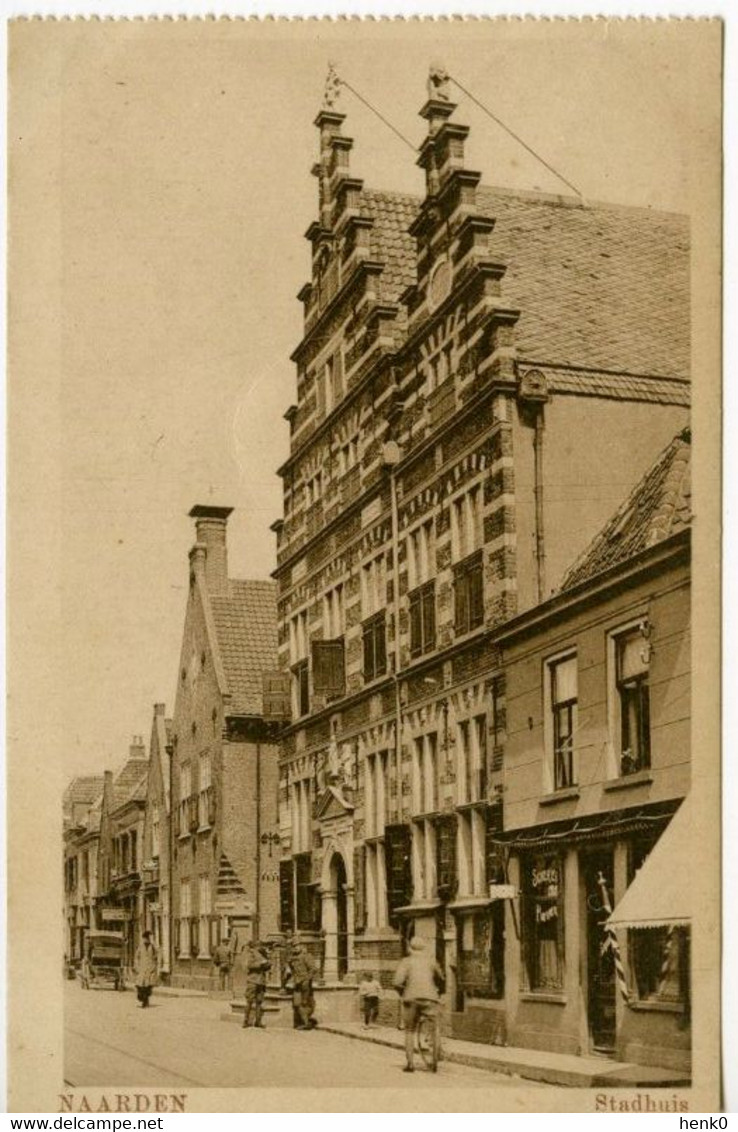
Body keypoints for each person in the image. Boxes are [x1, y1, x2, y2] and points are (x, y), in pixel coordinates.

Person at [392, 936, 444, 1072]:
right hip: (430, 998)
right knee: (435, 1027)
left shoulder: (406, 962)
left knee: (409, 1031)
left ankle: (410, 1064)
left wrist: (403, 993)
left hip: (411, 998)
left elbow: (397, 982)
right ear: (424, 947)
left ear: (410, 947)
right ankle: (435, 1058)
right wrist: (438, 992)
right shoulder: (431, 961)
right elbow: (441, 979)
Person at [242, 941, 271, 1029]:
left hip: (261, 981)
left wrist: (268, 965)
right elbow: (249, 965)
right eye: (259, 946)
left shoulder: (262, 954)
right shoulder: (251, 954)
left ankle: (258, 1021)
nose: (261, 947)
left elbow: (266, 966)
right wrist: (260, 964)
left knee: (259, 1001)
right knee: (249, 1001)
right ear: (255, 946)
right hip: (253, 980)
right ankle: (246, 1021)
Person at [290, 944, 318, 1030]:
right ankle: (305, 1022)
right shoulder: (293, 958)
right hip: (297, 983)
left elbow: (313, 969)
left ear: (302, 947)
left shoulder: (306, 956)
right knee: (297, 1004)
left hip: (305, 983)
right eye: (294, 946)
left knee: (304, 1003)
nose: (295, 948)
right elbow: (292, 971)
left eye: (297, 946)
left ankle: (306, 1022)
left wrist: (307, 980)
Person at [134, 930, 158, 1009]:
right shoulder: (140, 947)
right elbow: (137, 957)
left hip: (150, 969)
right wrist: (136, 966)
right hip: (142, 968)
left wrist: (154, 966)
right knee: (140, 986)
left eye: (147, 938)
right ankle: (142, 999)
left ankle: (145, 1001)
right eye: (145, 938)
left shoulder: (153, 947)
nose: (146, 940)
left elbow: (156, 957)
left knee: (148, 987)